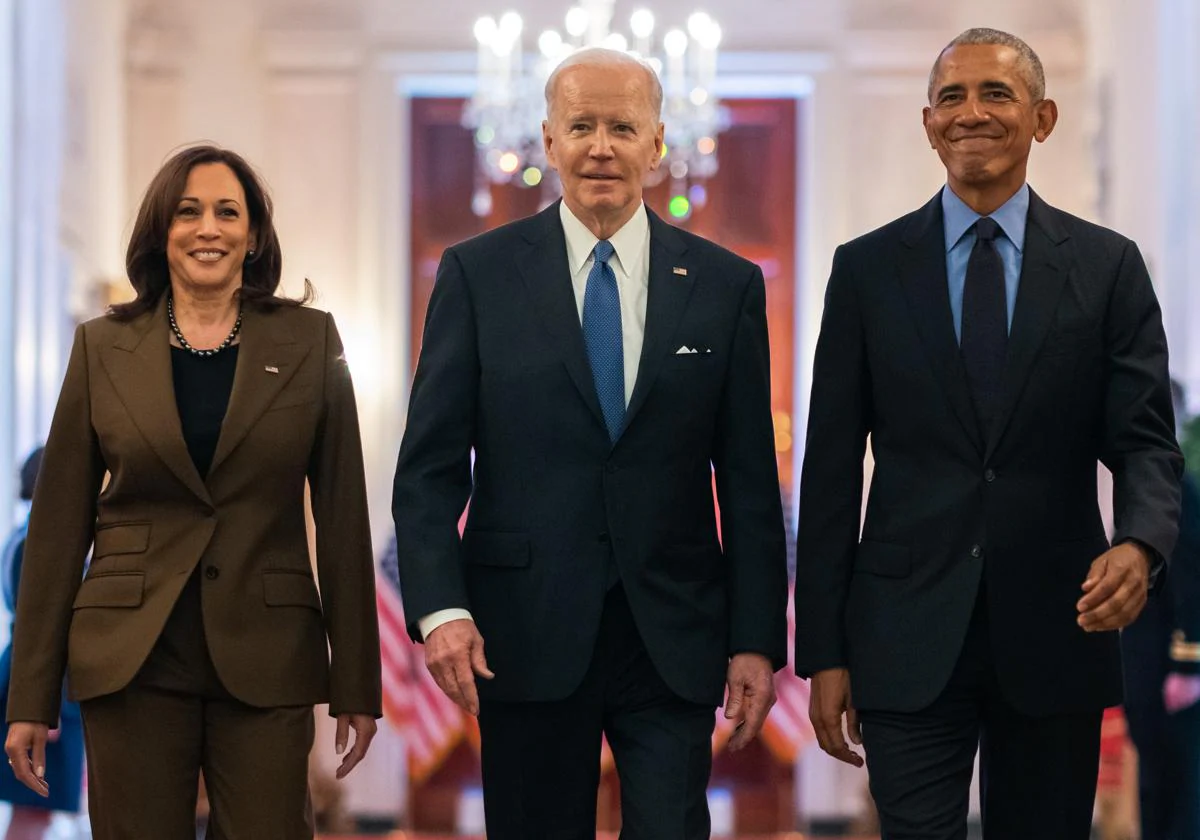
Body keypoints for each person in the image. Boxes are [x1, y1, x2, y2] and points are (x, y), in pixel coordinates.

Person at [794, 27, 1182, 840]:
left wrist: (1142, 544)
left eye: (995, 93)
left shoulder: (1108, 268)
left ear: (1042, 119)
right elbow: (830, 470)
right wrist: (823, 652)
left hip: (1058, 626)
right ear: (928, 123)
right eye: (952, 97)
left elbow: (1145, 440)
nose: (971, 112)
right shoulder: (865, 271)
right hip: (902, 633)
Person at [392, 47, 788, 839]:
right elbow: (431, 469)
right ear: (548, 140)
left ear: (657, 143)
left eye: (621, 126)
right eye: (581, 126)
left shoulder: (726, 285)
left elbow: (748, 481)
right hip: (523, 632)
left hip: (672, 636)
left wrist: (755, 643)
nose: (600, 145)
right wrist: (440, 610)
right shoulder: (476, 276)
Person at [4, 144, 382, 838]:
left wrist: (358, 684)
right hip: (131, 654)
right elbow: (58, 528)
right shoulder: (101, 347)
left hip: (268, 653)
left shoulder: (310, 340)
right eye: (188, 212)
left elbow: (343, 517)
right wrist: (29, 696)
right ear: (161, 231)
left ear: (254, 234)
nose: (208, 228)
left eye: (227, 212)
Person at [1122, 378, 1200, 840]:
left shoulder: (1176, 488)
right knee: (1154, 784)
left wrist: (1186, 665)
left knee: (1180, 791)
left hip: (1170, 671)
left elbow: (1192, 581)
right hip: (1144, 664)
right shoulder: (1145, 485)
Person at [0, 448, 84, 839]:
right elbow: (38, 630)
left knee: (38, 811)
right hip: (42, 686)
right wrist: (41, 703)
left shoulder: (31, 535)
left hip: (46, 685)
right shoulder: (36, 541)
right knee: (34, 809)